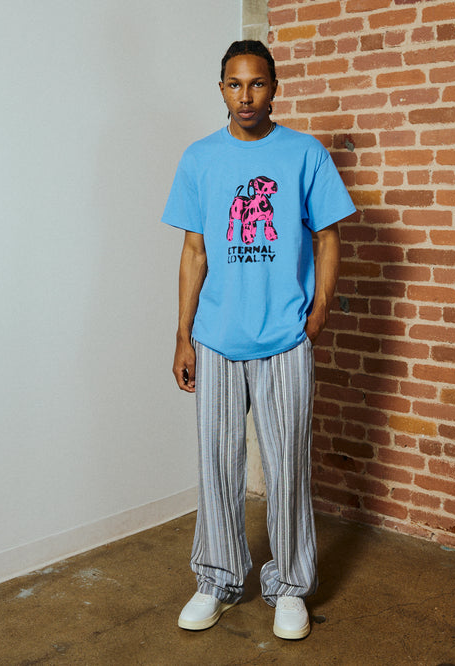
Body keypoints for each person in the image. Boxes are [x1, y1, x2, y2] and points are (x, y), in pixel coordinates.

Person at [162, 40, 356, 640]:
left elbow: (328, 236)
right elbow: (194, 252)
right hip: (217, 339)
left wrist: (319, 311)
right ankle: (217, 580)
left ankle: (290, 586)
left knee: (287, 467)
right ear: (221, 89)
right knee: (217, 467)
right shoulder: (199, 158)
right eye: (234, 84)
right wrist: (183, 335)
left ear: (274, 87)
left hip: (284, 339)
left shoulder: (305, 153)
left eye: (257, 83)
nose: (245, 96)